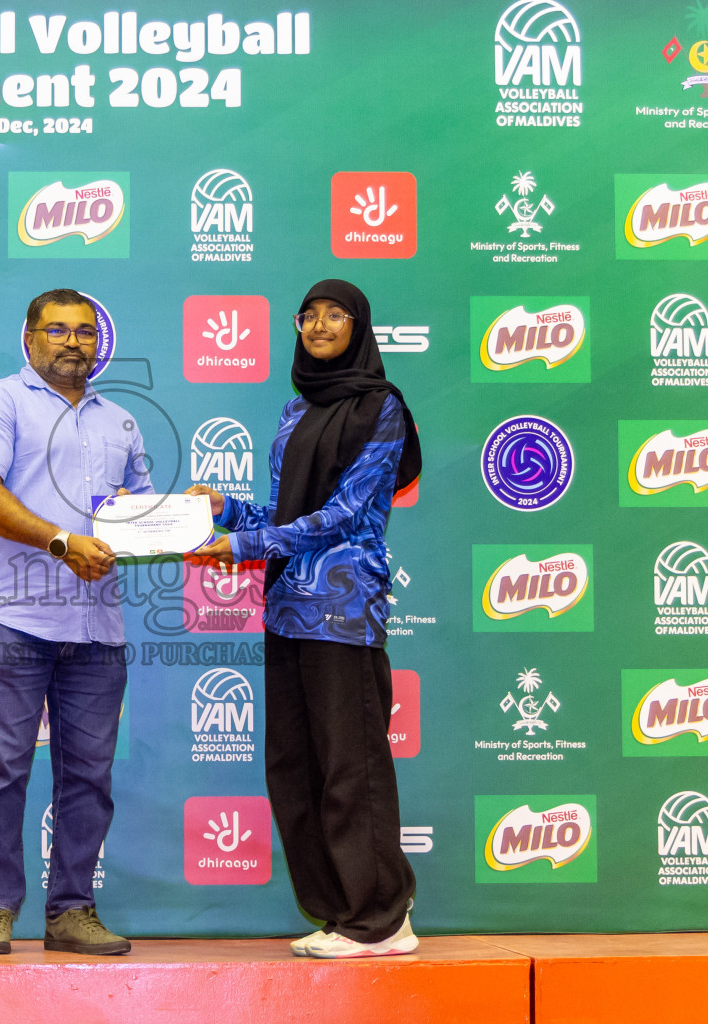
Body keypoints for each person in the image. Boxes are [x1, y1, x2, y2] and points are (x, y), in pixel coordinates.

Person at [190, 279, 422, 959]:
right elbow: (288, 514)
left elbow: (345, 516)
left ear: (359, 326)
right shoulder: (296, 410)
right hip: (289, 608)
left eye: (336, 315)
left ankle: (382, 920)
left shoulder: (380, 407)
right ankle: (337, 912)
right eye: (309, 316)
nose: (320, 325)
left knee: (353, 768)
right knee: (296, 768)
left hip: (344, 611)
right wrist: (229, 511)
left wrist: (244, 544)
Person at [0, 288, 152, 956]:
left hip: (98, 629)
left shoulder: (122, 422)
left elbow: (144, 516)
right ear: (29, 338)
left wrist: (176, 518)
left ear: (101, 342)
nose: (74, 342)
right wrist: (62, 543)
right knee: (4, 770)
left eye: (86, 332)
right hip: (15, 621)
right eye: (58, 330)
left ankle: (71, 910)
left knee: (90, 778)